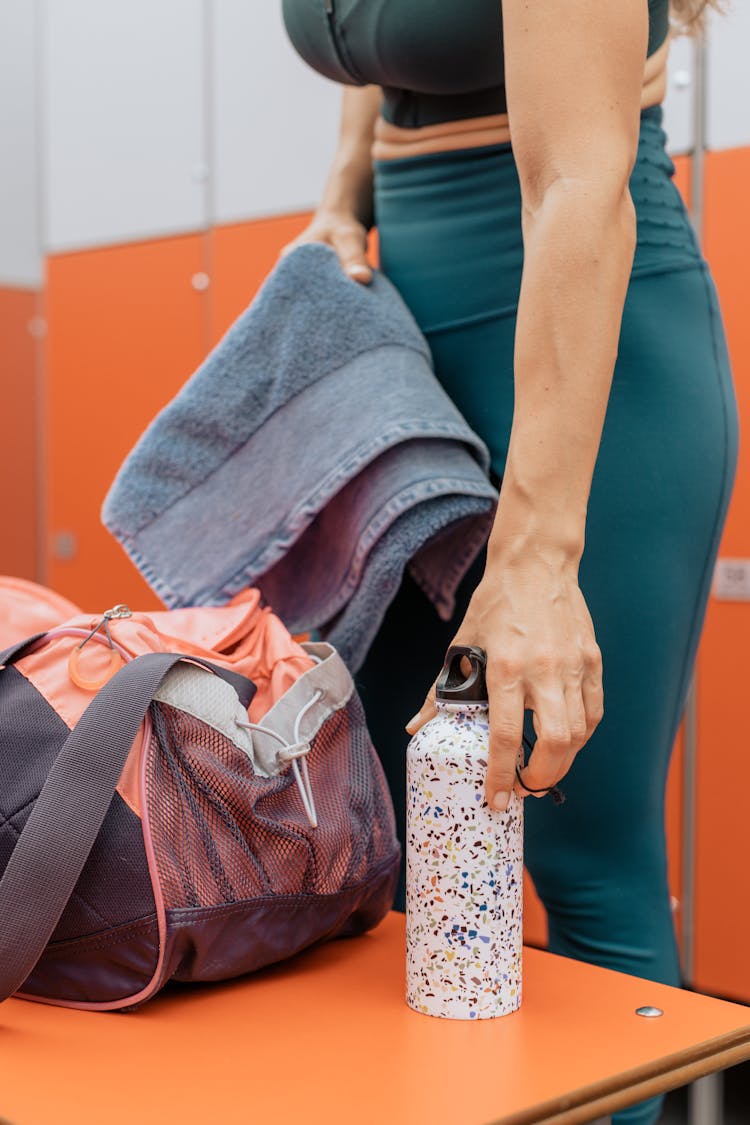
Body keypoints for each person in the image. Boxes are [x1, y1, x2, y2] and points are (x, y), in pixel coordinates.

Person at [280, 3, 738, 1122]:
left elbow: (581, 184)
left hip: (594, 365)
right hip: (412, 362)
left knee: (583, 847)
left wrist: (537, 562)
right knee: (373, 837)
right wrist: (342, 199)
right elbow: (378, 58)